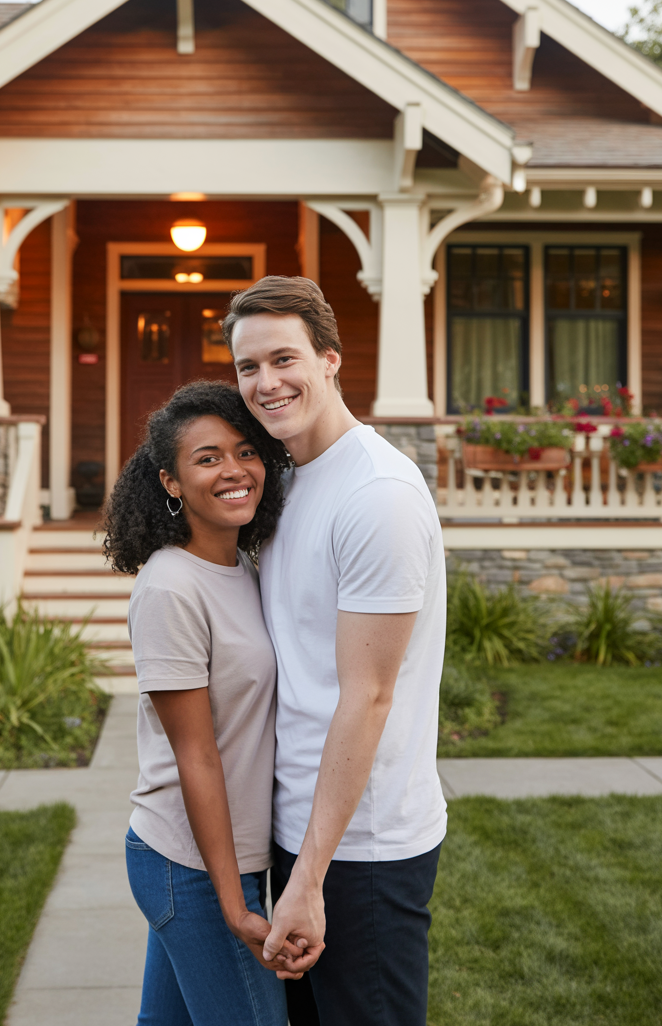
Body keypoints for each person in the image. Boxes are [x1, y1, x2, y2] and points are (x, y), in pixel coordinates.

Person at [222, 277, 447, 1026]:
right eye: (248, 367)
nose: (265, 382)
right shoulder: (284, 478)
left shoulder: (377, 494)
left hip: (362, 849)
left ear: (329, 360)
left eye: (283, 359)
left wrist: (311, 876)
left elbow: (368, 696)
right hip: (300, 830)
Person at [103, 380, 312, 1026]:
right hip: (190, 864)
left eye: (245, 451)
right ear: (170, 482)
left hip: (220, 857)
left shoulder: (243, 569)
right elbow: (195, 756)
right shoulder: (170, 588)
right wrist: (232, 900)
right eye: (207, 457)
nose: (234, 470)